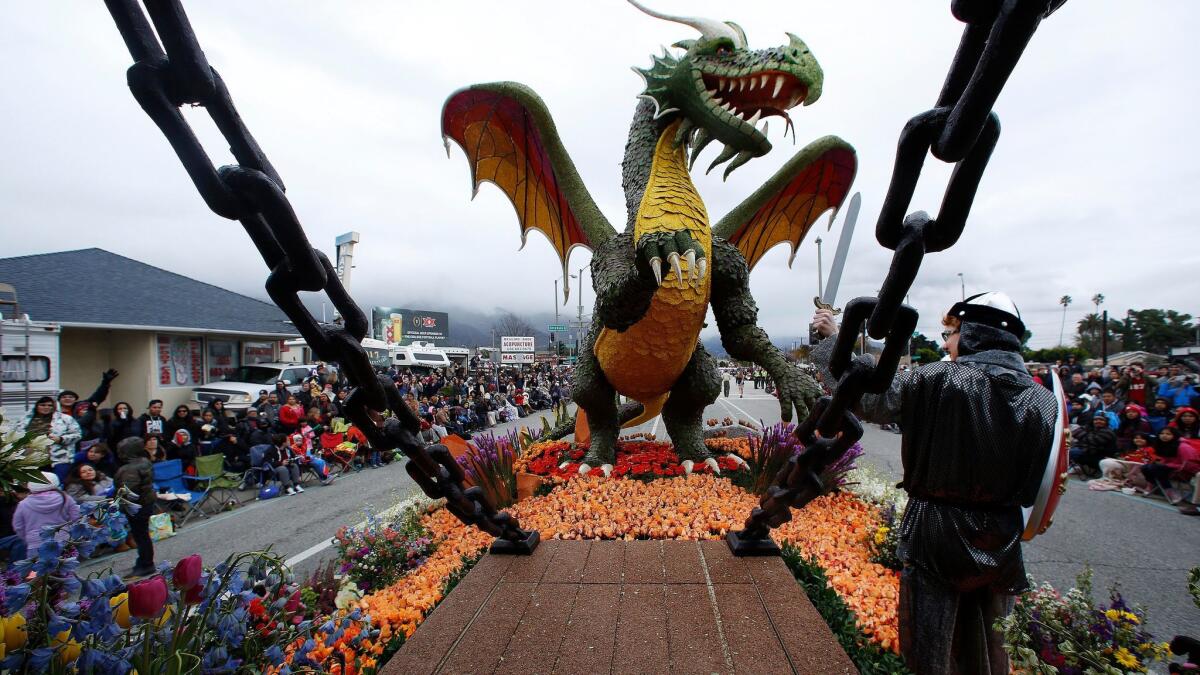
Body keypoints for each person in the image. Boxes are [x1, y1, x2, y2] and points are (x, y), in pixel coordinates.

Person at [812, 291, 1057, 675]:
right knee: (993, 650)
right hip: (1004, 534)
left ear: (974, 332)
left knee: (930, 650)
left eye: (952, 332)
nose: (945, 342)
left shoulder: (938, 379)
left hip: (937, 532)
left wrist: (832, 341)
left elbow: (870, 399)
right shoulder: (1044, 398)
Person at [114, 437, 156, 577]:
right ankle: (144, 561)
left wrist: (118, 502)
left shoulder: (129, 469)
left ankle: (146, 564)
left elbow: (129, 491)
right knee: (142, 535)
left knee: (141, 536)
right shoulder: (144, 462)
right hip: (146, 503)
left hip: (137, 506)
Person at [13, 396, 81, 480]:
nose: (46, 407)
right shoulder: (25, 419)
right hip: (31, 458)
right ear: (37, 406)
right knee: (34, 485)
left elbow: (77, 434)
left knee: (58, 483)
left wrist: (61, 439)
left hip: (59, 458)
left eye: (50, 405)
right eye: (43, 405)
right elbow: (14, 435)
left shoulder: (65, 419)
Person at [13, 472, 81, 552]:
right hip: (64, 541)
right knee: (66, 564)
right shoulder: (65, 498)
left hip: (36, 544)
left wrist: (28, 539)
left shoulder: (23, 504)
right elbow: (76, 518)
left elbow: (18, 527)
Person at [1070, 413, 1118, 478]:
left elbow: (1092, 441)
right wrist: (1086, 436)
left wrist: (1084, 436)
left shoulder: (1108, 432)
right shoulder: (1091, 428)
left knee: (1071, 452)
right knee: (1068, 449)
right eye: (1096, 420)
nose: (1098, 421)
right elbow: (1075, 432)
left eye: (1101, 420)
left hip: (1100, 456)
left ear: (1105, 422)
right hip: (1089, 452)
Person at [0, 486, 29, 565]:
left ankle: (14, 573)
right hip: (7, 539)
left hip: (9, 539)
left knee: (22, 539)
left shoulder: (13, 502)